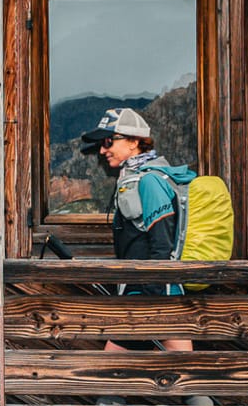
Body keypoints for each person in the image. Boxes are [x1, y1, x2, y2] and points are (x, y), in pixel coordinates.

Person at [79, 106, 197, 351]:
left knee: (111, 367)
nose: (102, 150)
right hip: (160, 292)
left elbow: (162, 243)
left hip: (149, 294)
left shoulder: (150, 181)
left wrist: (149, 301)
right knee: (180, 367)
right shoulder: (135, 179)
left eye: (109, 141)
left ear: (134, 142)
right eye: (101, 144)